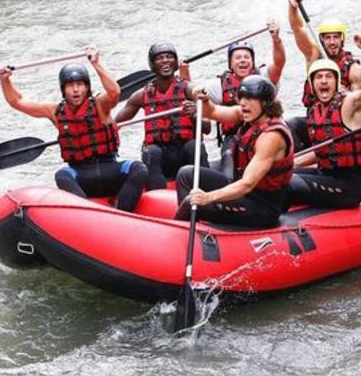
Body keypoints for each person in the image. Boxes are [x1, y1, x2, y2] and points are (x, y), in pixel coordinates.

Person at [0, 46, 148, 211]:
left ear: (86, 87)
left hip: (110, 169)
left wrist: (97, 64)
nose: (75, 89)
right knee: (62, 174)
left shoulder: (100, 105)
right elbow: (18, 102)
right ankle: (87, 214)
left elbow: (114, 92)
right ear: (64, 89)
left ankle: (122, 213)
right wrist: (5, 80)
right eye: (70, 86)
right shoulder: (55, 111)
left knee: (139, 169)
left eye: (79, 84)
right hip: (80, 175)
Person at [174, 75, 293, 229]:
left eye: (250, 99)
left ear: (266, 103)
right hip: (243, 193)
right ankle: (190, 228)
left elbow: (247, 184)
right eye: (242, 98)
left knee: (193, 202)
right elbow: (213, 111)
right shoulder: (246, 114)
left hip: (262, 207)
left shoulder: (271, 137)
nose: (243, 104)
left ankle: (182, 232)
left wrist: (207, 197)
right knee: (186, 174)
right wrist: (204, 100)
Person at [287, 34, 361, 209]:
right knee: (278, 176)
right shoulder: (315, 110)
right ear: (312, 83)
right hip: (326, 174)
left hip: (349, 187)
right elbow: (325, 152)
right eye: (319, 77)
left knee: (289, 182)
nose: (324, 81)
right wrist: (288, 164)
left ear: (336, 81)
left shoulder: (349, 103)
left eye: (328, 76)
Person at [184, 20, 285, 172]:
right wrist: (184, 70)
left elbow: (279, 62)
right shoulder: (219, 85)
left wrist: (276, 40)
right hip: (234, 138)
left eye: (247, 57)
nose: (243, 60)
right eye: (238, 58)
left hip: (264, 131)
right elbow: (195, 94)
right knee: (229, 170)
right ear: (230, 64)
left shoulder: (265, 77)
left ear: (253, 61)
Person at [115, 42, 209, 189]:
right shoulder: (141, 96)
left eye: (169, 57)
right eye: (160, 58)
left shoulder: (190, 90)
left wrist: (196, 113)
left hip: (185, 154)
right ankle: (157, 196)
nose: (165, 60)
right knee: (150, 151)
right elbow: (115, 124)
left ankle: (204, 190)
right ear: (152, 65)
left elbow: (207, 128)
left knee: (194, 146)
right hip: (160, 158)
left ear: (176, 63)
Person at [286, 0, 361, 150]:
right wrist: (293, 8)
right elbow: (297, 28)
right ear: (321, 39)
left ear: (342, 39)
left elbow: (359, 104)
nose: (332, 42)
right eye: (327, 38)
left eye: (336, 37)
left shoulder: (353, 68)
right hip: (314, 121)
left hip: (338, 124)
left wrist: (345, 95)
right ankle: (297, 163)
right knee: (290, 125)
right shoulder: (314, 55)